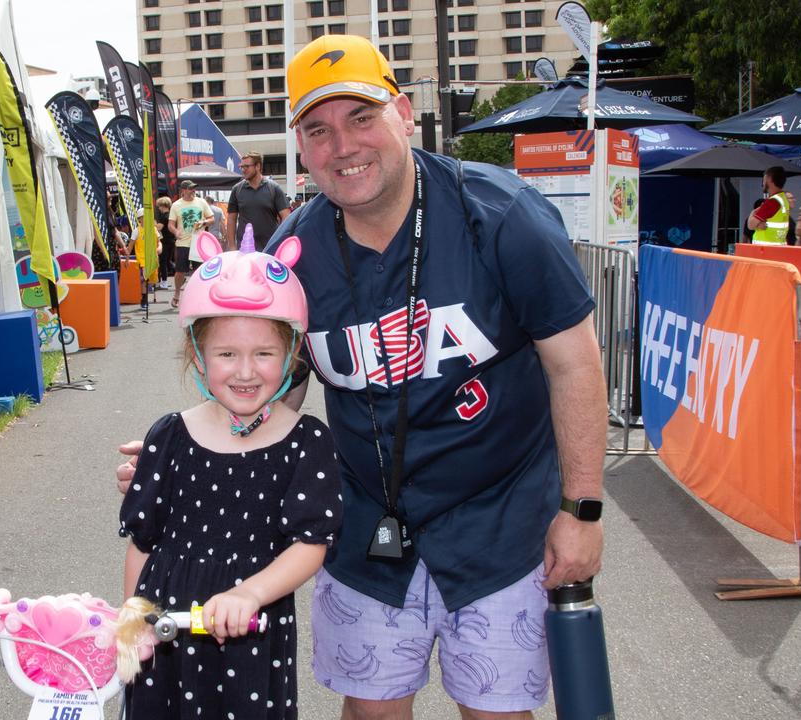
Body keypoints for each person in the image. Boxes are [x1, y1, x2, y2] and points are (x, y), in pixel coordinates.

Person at [120, 35, 605, 720]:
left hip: (501, 523)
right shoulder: (299, 251)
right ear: (300, 145)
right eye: (318, 130)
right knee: (372, 712)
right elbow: (270, 385)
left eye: (361, 117)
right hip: (364, 526)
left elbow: (574, 360)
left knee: (497, 713)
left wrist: (581, 510)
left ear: (403, 113)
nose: (342, 145)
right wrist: (196, 451)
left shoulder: (502, 216)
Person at [118, 229, 343, 719]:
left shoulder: (306, 442)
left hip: (250, 635)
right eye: (226, 354)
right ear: (198, 356)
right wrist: (132, 615)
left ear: (291, 355)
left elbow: (312, 544)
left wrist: (250, 593)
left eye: (264, 353)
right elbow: (142, 540)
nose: (246, 371)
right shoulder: (171, 434)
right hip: (166, 635)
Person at [227, 151, 291, 251]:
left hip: (270, 248)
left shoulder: (274, 188)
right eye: (241, 167)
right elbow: (231, 219)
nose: (243, 170)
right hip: (244, 249)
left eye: (246, 167)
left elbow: (286, 217)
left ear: (257, 166)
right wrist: (231, 246)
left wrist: (280, 241)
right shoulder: (237, 189)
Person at [168, 180, 214, 307]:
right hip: (183, 242)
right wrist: (176, 231)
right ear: (183, 191)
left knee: (200, 271)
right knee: (180, 271)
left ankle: (200, 295)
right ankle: (177, 293)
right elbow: (170, 225)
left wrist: (204, 222)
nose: (193, 191)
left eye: (194, 188)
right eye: (190, 189)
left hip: (198, 242)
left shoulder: (202, 202)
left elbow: (212, 218)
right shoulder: (176, 205)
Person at [746, 166, 791, 245]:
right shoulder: (783, 199)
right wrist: (758, 225)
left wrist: (753, 212)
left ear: (769, 179)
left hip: (765, 248)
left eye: (764, 179)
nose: (762, 183)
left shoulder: (772, 202)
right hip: (777, 246)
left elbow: (750, 225)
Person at [156, 195, 177, 287]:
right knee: (167, 261)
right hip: (171, 240)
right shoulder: (171, 215)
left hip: (165, 241)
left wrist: (153, 224)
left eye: (159, 206)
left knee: (163, 261)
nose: (159, 208)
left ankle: (164, 281)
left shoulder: (164, 216)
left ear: (163, 205)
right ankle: (178, 272)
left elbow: (159, 227)